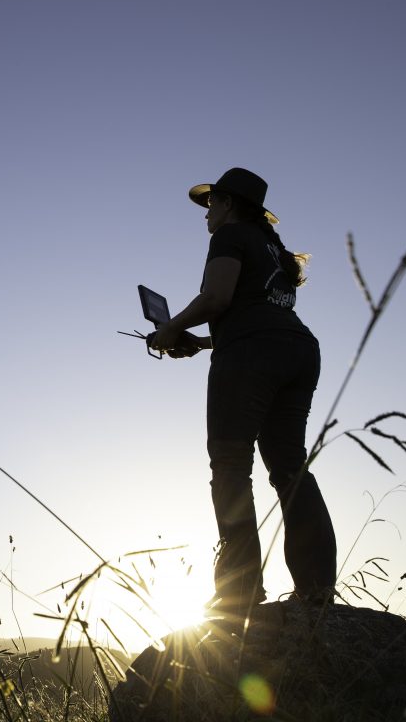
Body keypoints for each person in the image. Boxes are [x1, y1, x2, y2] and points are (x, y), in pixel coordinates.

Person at [147, 167, 337, 617]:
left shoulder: (229, 237)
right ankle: (316, 589)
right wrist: (204, 342)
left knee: (231, 466)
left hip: (252, 358)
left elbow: (217, 299)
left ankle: (240, 594)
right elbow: (259, 315)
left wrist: (169, 329)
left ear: (229, 205)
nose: (207, 213)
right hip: (298, 351)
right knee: (291, 468)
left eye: (212, 203)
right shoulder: (274, 248)